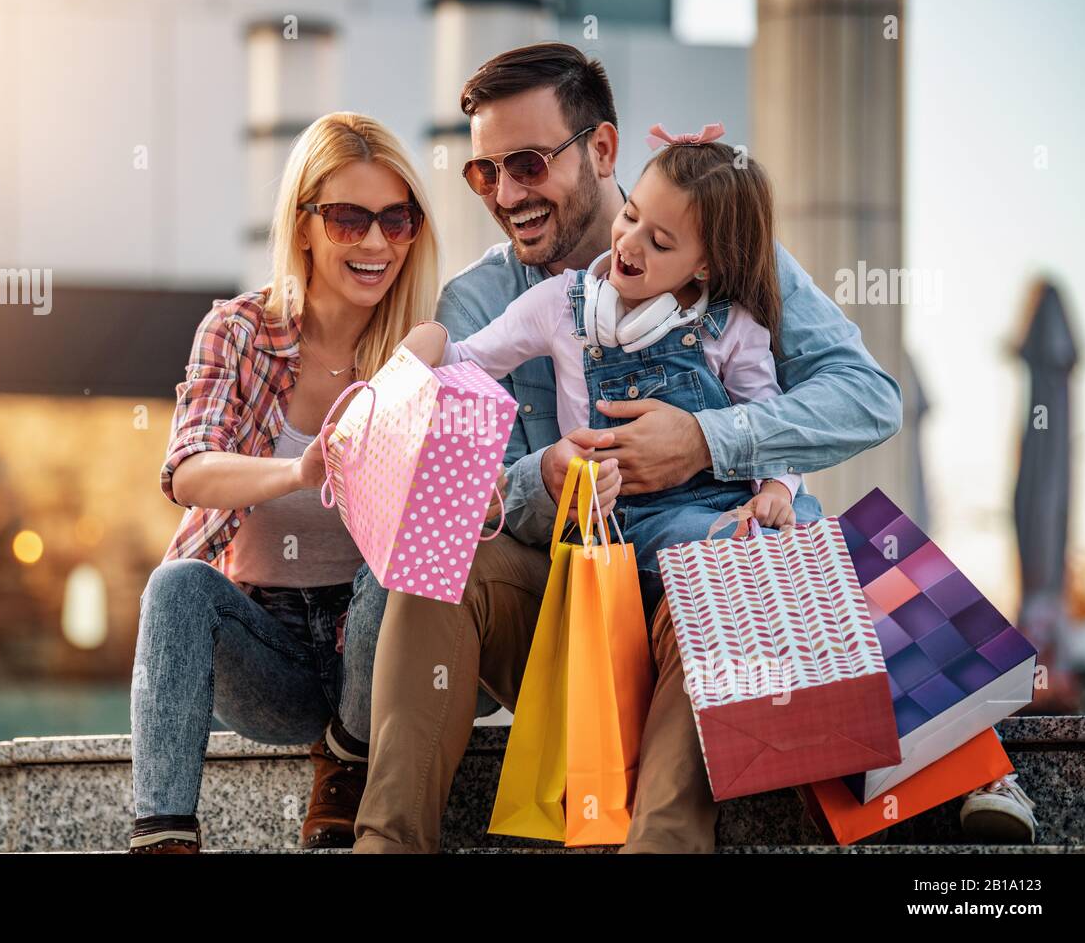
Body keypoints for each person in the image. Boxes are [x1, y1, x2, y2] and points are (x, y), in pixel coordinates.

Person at [350, 42, 911, 854]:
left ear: (603, 149)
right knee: (441, 560)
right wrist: (545, 475)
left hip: (718, 591)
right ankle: (386, 844)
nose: (507, 195)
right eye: (484, 173)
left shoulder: (732, 253)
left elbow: (868, 399)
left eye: (529, 163)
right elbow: (461, 488)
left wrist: (706, 440)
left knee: (729, 579)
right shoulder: (487, 298)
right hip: (571, 608)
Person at [128, 112, 439, 852]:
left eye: (396, 220)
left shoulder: (422, 342)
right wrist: (297, 471)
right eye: (347, 218)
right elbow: (188, 471)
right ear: (302, 226)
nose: (375, 243)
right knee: (175, 586)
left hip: (376, 652)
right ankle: (163, 834)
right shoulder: (237, 330)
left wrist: (421, 355)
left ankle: (348, 757)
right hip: (266, 648)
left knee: (398, 566)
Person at [400, 121, 816, 621]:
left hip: (728, 505)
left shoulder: (731, 327)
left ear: (704, 267)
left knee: (807, 548)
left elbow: (766, 423)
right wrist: (434, 342)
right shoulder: (559, 304)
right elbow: (470, 362)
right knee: (731, 557)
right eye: (632, 216)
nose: (630, 243)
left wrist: (774, 490)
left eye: (660, 242)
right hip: (625, 526)